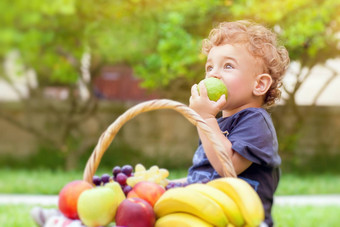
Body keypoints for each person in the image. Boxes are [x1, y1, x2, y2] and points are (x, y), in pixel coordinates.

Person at [186, 20, 290, 227]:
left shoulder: (256, 120)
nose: (214, 73)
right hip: (212, 215)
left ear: (259, 84)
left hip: (244, 220)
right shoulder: (218, 123)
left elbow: (228, 168)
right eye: (209, 66)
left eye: (228, 66)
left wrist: (205, 119)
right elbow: (206, 172)